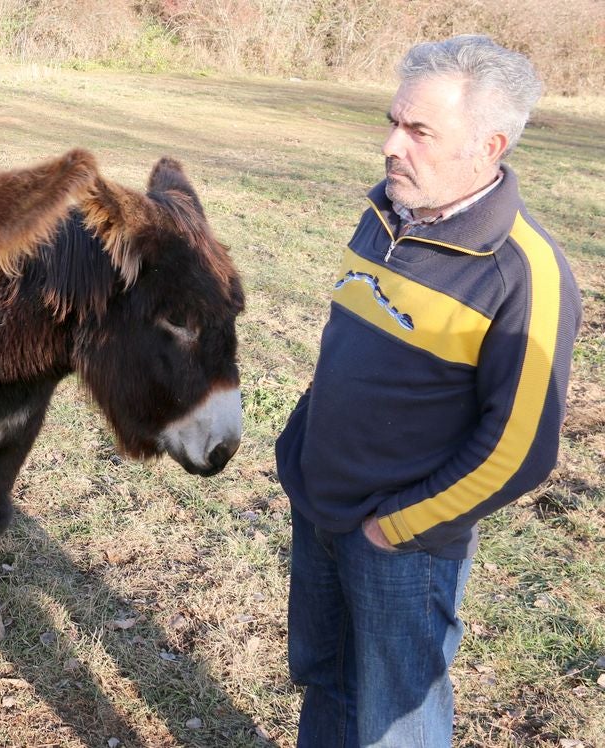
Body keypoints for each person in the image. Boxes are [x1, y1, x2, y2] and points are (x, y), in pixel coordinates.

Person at [275, 34, 582, 747]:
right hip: (318, 504)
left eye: (418, 131)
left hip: (401, 545)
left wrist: (396, 528)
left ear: (489, 145)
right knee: (325, 680)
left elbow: (519, 452)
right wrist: (298, 447)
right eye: (393, 121)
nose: (390, 145)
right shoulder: (386, 212)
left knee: (394, 722)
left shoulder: (523, 275)